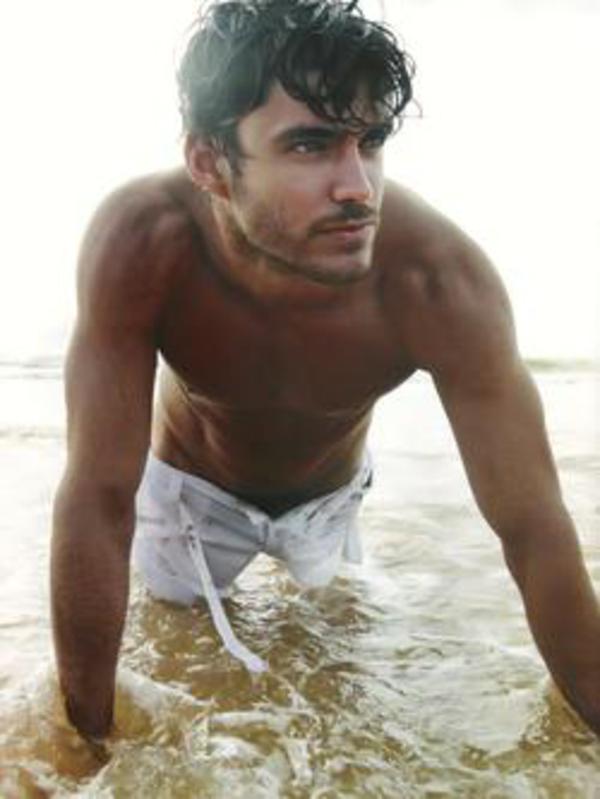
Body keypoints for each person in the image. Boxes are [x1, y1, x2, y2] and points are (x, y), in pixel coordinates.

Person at [51, 0, 600, 741]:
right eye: (309, 145)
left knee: (335, 679)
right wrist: (84, 749)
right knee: (178, 662)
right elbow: (98, 494)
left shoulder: (436, 281)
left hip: (330, 501)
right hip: (190, 500)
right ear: (209, 163)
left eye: (369, 141)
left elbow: (533, 526)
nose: (358, 187)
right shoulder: (145, 241)